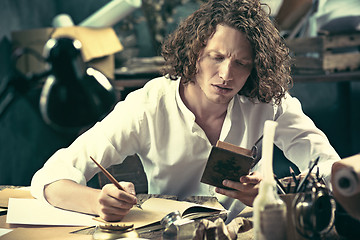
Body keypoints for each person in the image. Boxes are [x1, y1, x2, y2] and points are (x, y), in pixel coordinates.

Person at [31, 0, 340, 223]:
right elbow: (50, 178)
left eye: (241, 63)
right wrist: (99, 201)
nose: (226, 75)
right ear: (194, 54)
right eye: (215, 57)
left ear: (255, 68)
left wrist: (276, 191)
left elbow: (333, 170)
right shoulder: (148, 105)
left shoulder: (268, 102)